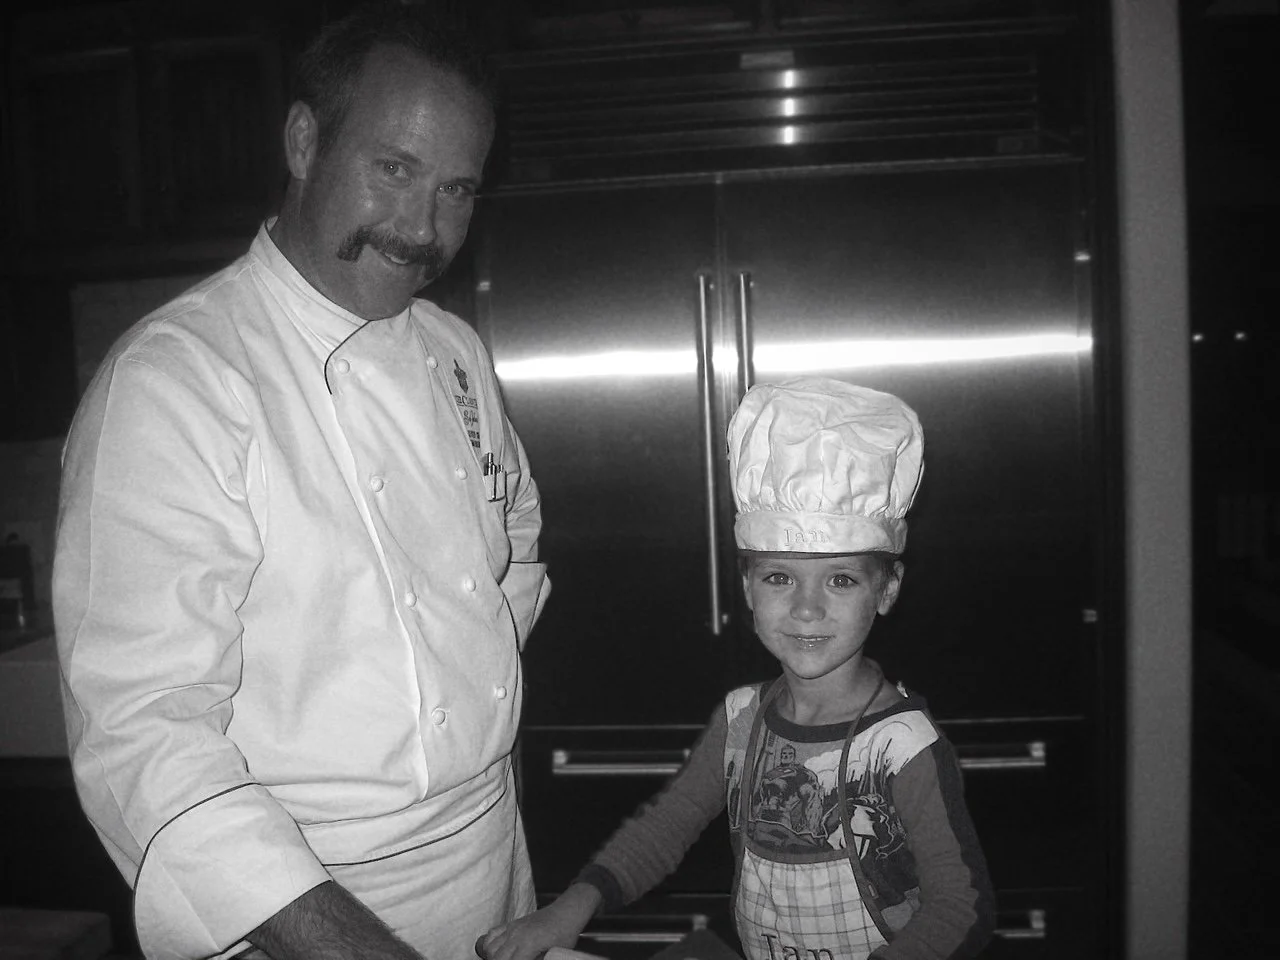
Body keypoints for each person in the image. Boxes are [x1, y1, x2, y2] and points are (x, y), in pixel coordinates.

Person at [52, 4, 549, 959]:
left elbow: (514, 541)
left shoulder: (453, 354)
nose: (420, 228)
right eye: (393, 169)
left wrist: (457, 675)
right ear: (304, 140)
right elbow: (145, 736)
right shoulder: (177, 380)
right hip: (303, 909)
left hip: (493, 865)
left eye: (456, 189)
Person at [479, 377, 994, 960]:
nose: (806, 608)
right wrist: (567, 910)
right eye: (779, 577)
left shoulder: (903, 746)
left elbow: (961, 906)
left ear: (888, 589)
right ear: (748, 585)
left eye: (841, 579)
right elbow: (665, 828)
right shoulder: (742, 719)